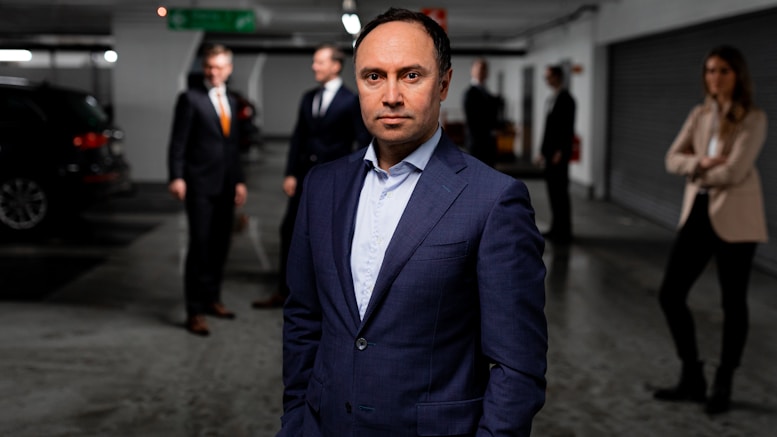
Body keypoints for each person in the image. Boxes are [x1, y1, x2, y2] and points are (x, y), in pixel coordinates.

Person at [277, 8, 547, 436]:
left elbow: (518, 365)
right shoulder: (322, 186)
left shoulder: (493, 199)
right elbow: (305, 318)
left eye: (411, 76)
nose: (390, 95)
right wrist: (295, 420)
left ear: (443, 84)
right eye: (373, 77)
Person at [652, 45, 768, 415]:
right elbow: (671, 158)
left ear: (738, 75)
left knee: (733, 303)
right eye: (710, 70)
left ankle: (724, 382)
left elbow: (735, 172)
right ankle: (692, 376)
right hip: (698, 212)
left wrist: (696, 170)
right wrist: (701, 161)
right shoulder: (699, 114)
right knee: (670, 294)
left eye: (723, 70)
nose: (715, 77)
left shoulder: (753, 118)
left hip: (737, 217)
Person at [252, 43, 370, 309]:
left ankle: (322, 298)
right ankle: (283, 291)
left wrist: (352, 179)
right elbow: (299, 138)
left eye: (319, 62)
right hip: (305, 177)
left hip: (335, 182)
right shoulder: (308, 98)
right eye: (315, 62)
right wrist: (290, 173)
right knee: (289, 231)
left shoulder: (351, 101)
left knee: (328, 237)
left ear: (335, 66)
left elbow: (361, 142)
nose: (314, 66)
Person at [167, 44, 248, 336]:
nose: (214, 72)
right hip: (199, 185)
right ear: (205, 67)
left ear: (229, 69)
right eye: (209, 66)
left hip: (227, 185)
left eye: (219, 67)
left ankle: (213, 298)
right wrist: (176, 176)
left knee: (220, 247)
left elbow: (233, 147)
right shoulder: (190, 99)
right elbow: (178, 142)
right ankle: (195, 311)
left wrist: (239, 180)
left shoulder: (232, 100)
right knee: (200, 247)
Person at [538, 65, 576, 244]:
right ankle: (556, 228)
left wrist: (560, 152)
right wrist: (542, 151)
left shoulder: (566, 99)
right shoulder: (552, 98)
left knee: (560, 192)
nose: (547, 81)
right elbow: (548, 129)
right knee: (553, 192)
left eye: (549, 77)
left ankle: (565, 231)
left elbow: (566, 129)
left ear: (558, 76)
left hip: (558, 155)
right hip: (550, 153)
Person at [463, 57, 501, 167]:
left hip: (488, 144)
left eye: (484, 69)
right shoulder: (470, 93)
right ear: (472, 71)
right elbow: (473, 120)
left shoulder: (487, 93)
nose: (481, 71)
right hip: (477, 145)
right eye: (478, 68)